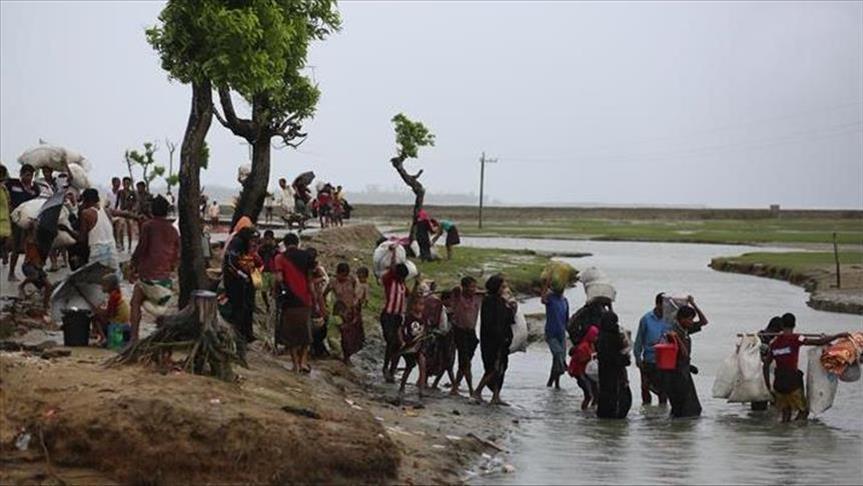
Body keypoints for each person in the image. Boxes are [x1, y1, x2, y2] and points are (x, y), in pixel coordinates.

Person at [767, 313, 848, 423]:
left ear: (781, 325)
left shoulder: (774, 343)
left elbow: (766, 365)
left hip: (778, 384)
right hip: (792, 383)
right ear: (794, 325)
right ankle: (797, 431)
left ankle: (783, 432)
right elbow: (818, 342)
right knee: (804, 411)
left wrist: (768, 386)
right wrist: (837, 335)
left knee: (786, 412)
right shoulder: (796, 338)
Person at [128, 196, 179, 343]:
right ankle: (161, 339)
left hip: (148, 275)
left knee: (135, 303)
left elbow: (141, 248)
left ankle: (134, 338)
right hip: (165, 277)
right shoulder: (173, 230)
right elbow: (176, 254)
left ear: (152, 209)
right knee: (161, 310)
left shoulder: (148, 226)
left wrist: (133, 265)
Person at [659, 298, 709, 418]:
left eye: (692, 319)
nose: (692, 322)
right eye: (689, 319)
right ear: (681, 319)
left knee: (691, 406)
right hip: (676, 373)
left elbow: (704, 321)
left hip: (684, 370)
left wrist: (693, 303)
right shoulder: (673, 332)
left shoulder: (685, 330)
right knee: (682, 405)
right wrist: (676, 338)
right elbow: (684, 353)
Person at [273, 233, 315, 372]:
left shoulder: (280, 258)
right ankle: (303, 361)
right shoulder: (307, 256)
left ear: (285, 244)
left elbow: (279, 279)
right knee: (305, 332)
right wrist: (315, 300)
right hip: (305, 299)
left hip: (289, 300)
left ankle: (295, 364)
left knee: (291, 334)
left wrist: (275, 292)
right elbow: (310, 281)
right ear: (297, 243)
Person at [472, 274, 515, 405]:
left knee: (501, 368)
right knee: (492, 368)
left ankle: (496, 396)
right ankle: (477, 391)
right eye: (502, 287)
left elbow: (508, 319)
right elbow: (490, 323)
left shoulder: (501, 301)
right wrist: (499, 336)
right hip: (491, 341)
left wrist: (511, 309)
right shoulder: (489, 301)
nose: (504, 289)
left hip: (502, 340)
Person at [222, 226, 261, 345]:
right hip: (235, 280)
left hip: (247, 279)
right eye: (252, 240)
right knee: (238, 307)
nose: (254, 243)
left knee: (249, 306)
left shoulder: (249, 248)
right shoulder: (237, 243)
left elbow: (255, 264)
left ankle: (248, 334)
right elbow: (231, 263)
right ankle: (239, 334)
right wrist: (242, 275)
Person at [633, 293, 671, 406]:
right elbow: (639, 340)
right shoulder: (646, 319)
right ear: (658, 304)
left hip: (665, 361)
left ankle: (662, 412)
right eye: (664, 305)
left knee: (663, 391)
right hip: (649, 359)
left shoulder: (669, 320)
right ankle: (646, 411)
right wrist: (638, 358)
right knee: (645, 388)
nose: (666, 308)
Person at [5, 163, 40, 281]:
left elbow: (36, 203)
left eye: (31, 175)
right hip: (16, 220)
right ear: (21, 174)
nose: (29, 178)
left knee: (29, 246)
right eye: (27, 175)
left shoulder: (35, 189)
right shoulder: (13, 184)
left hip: (30, 221)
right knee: (15, 247)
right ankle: (11, 273)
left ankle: (28, 272)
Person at [450, 276, 483, 396]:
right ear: (464, 288)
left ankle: (455, 387)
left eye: (475, 287)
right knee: (465, 361)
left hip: (471, 333)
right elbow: (455, 289)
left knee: (465, 361)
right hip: (460, 331)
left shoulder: (477, 298)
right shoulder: (458, 297)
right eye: (471, 287)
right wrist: (461, 289)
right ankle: (470, 389)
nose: (473, 289)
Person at [596, 312, 632, 419]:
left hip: (604, 375)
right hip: (616, 376)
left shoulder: (601, 337)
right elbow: (618, 358)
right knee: (617, 400)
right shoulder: (614, 337)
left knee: (605, 396)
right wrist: (625, 358)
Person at [380, 250, 410, 383]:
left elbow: (409, 296)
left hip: (397, 317)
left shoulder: (403, 285)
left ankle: (392, 370)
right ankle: (386, 367)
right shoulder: (389, 281)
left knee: (398, 344)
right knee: (391, 342)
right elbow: (391, 270)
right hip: (388, 316)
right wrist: (393, 254)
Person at [78, 188, 120, 273]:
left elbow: (82, 238)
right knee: (113, 276)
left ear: (86, 200)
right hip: (111, 248)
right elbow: (125, 213)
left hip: (97, 249)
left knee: (97, 277)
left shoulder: (86, 213)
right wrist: (137, 217)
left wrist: (68, 230)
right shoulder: (106, 210)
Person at [398, 294, 429, 398]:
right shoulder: (408, 317)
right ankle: (402, 386)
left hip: (420, 346)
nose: (420, 307)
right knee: (409, 367)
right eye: (418, 304)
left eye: (422, 304)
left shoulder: (424, 318)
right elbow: (400, 330)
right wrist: (402, 341)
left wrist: (425, 340)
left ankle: (421, 390)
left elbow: (425, 330)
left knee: (423, 366)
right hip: (410, 346)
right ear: (413, 305)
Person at [752, 316, 784, 411]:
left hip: (768, 375)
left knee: (768, 404)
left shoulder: (773, 338)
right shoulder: (761, 338)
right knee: (760, 402)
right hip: (760, 375)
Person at [18, 226, 52, 312]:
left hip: (37, 267)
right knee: (34, 276)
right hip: (28, 265)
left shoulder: (42, 241)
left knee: (48, 286)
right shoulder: (30, 240)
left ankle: (45, 306)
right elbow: (31, 237)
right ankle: (21, 286)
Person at [91, 274, 130, 348]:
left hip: (117, 325)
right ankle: (100, 336)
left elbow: (110, 314)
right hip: (124, 326)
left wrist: (99, 311)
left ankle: (103, 338)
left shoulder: (113, 297)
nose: (102, 287)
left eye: (104, 285)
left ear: (111, 286)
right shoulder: (117, 294)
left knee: (95, 317)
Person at [542, 285, 569, 389]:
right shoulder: (550, 298)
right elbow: (543, 299)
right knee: (558, 354)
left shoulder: (565, 301)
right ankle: (563, 367)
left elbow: (566, 319)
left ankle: (554, 383)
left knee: (557, 360)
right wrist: (546, 283)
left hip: (561, 334)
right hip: (551, 333)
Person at [569, 325, 600, 410]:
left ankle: (591, 410)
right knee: (588, 396)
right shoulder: (583, 346)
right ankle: (584, 411)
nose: (596, 338)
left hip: (586, 373)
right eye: (595, 336)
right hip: (580, 373)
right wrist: (592, 357)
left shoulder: (591, 345)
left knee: (596, 394)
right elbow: (581, 359)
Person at [116, 177, 137, 251]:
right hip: (122, 212)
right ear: (123, 183)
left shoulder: (132, 193)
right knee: (121, 228)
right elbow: (117, 202)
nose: (126, 185)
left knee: (129, 229)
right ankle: (122, 245)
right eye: (125, 183)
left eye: (128, 183)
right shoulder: (120, 192)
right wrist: (116, 211)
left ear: (130, 184)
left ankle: (129, 246)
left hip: (129, 212)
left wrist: (134, 209)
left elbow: (135, 202)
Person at [0, 165, 11, 267]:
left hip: (5, 218)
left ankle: (4, 253)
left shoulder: (4, 188)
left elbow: (8, 201)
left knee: (6, 239)